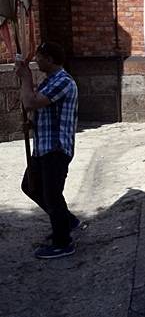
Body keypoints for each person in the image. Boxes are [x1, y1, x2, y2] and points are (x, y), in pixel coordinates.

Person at [15, 42, 80, 259]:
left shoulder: (63, 81)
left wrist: (26, 78)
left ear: (50, 59)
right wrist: (32, 124)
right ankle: (67, 221)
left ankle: (63, 243)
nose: (36, 61)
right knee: (30, 186)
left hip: (56, 147)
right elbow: (44, 111)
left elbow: (31, 102)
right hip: (42, 146)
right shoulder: (49, 81)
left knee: (52, 195)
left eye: (40, 57)